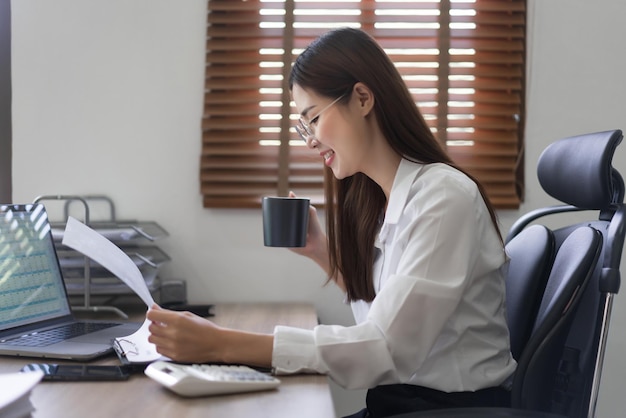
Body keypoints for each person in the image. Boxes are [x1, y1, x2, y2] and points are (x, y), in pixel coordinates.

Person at [147, 27, 516, 417]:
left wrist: (221, 345)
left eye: (313, 119)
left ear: (361, 98)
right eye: (302, 127)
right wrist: (322, 252)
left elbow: (383, 348)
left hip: (450, 410)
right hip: (405, 404)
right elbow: (384, 317)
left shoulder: (443, 197)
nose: (308, 140)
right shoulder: (385, 198)